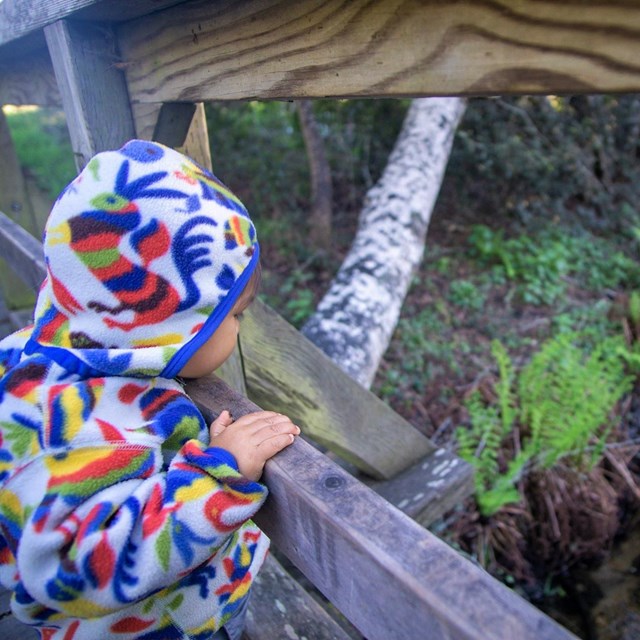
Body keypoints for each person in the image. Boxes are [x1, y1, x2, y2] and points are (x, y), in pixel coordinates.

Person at [0, 140, 300, 639]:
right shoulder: (94, 427)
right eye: (235, 315)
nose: (241, 328)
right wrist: (214, 478)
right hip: (157, 624)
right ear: (164, 321)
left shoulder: (38, 356)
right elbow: (77, 572)